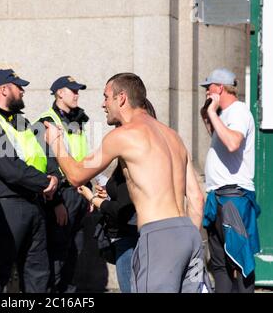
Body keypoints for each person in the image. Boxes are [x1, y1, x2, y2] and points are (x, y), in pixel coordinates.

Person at [45, 73, 206, 293]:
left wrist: (56, 143)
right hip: (189, 234)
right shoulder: (173, 136)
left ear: (121, 98)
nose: (103, 104)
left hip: (158, 235)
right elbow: (197, 198)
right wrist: (189, 240)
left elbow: (75, 175)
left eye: (106, 97)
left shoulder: (124, 135)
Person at [0, 69, 62, 293]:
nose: (23, 91)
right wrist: (45, 182)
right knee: (0, 271)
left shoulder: (22, 122)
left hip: (35, 203)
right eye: (18, 87)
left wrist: (54, 177)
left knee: (38, 274)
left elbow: (45, 153)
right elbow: (10, 169)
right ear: (4, 89)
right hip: (7, 205)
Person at [77, 99, 157, 293]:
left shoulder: (128, 146)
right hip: (147, 232)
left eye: (106, 97)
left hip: (129, 234)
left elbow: (123, 208)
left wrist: (93, 199)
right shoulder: (161, 142)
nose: (103, 104)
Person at [199, 68, 260, 293]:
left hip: (234, 197)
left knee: (240, 261)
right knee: (219, 263)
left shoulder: (238, 111)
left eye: (209, 87)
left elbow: (233, 143)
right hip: (217, 196)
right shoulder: (224, 114)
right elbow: (222, 146)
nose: (206, 91)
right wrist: (209, 116)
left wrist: (213, 114)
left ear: (221, 88)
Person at [35, 75, 90, 293]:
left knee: (74, 253)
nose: (77, 94)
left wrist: (91, 193)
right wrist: (56, 202)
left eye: (78, 90)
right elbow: (47, 165)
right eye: (73, 90)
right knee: (57, 255)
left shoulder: (77, 121)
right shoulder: (45, 121)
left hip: (79, 193)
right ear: (59, 93)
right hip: (61, 195)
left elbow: (86, 158)